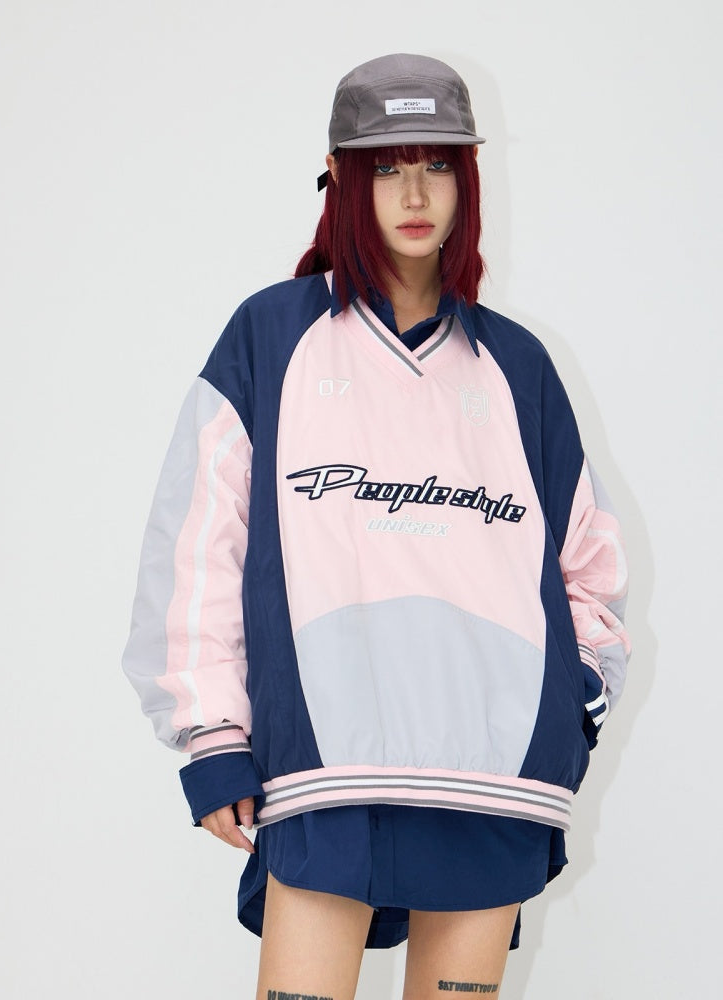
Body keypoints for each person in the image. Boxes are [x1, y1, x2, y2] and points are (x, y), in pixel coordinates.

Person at [123, 53, 630, 1000]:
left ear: (468, 179)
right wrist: (213, 735)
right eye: (386, 167)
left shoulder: (517, 366)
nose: (414, 193)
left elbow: (588, 565)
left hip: (492, 780)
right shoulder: (271, 336)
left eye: (437, 165)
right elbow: (197, 549)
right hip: (327, 771)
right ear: (339, 178)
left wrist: (575, 699)